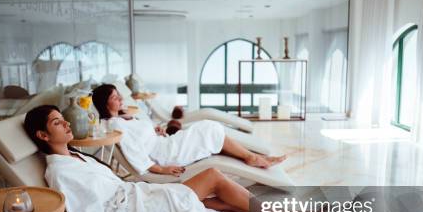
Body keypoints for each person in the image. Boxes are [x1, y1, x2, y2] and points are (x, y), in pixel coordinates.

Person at [24, 105, 308, 212]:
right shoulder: (60, 173)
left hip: (138, 200)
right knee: (213, 178)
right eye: (58, 122)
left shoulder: (76, 158)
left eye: (64, 119)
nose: (68, 124)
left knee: (216, 200)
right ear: (43, 136)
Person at [91, 84, 286, 177]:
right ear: (104, 103)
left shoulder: (123, 117)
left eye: (118, 95)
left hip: (164, 143)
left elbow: (140, 136)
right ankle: (250, 157)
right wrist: (160, 169)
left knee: (208, 129)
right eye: (115, 97)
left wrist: (154, 131)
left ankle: (249, 156)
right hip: (165, 155)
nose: (120, 99)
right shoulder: (115, 126)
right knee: (209, 128)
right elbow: (134, 154)